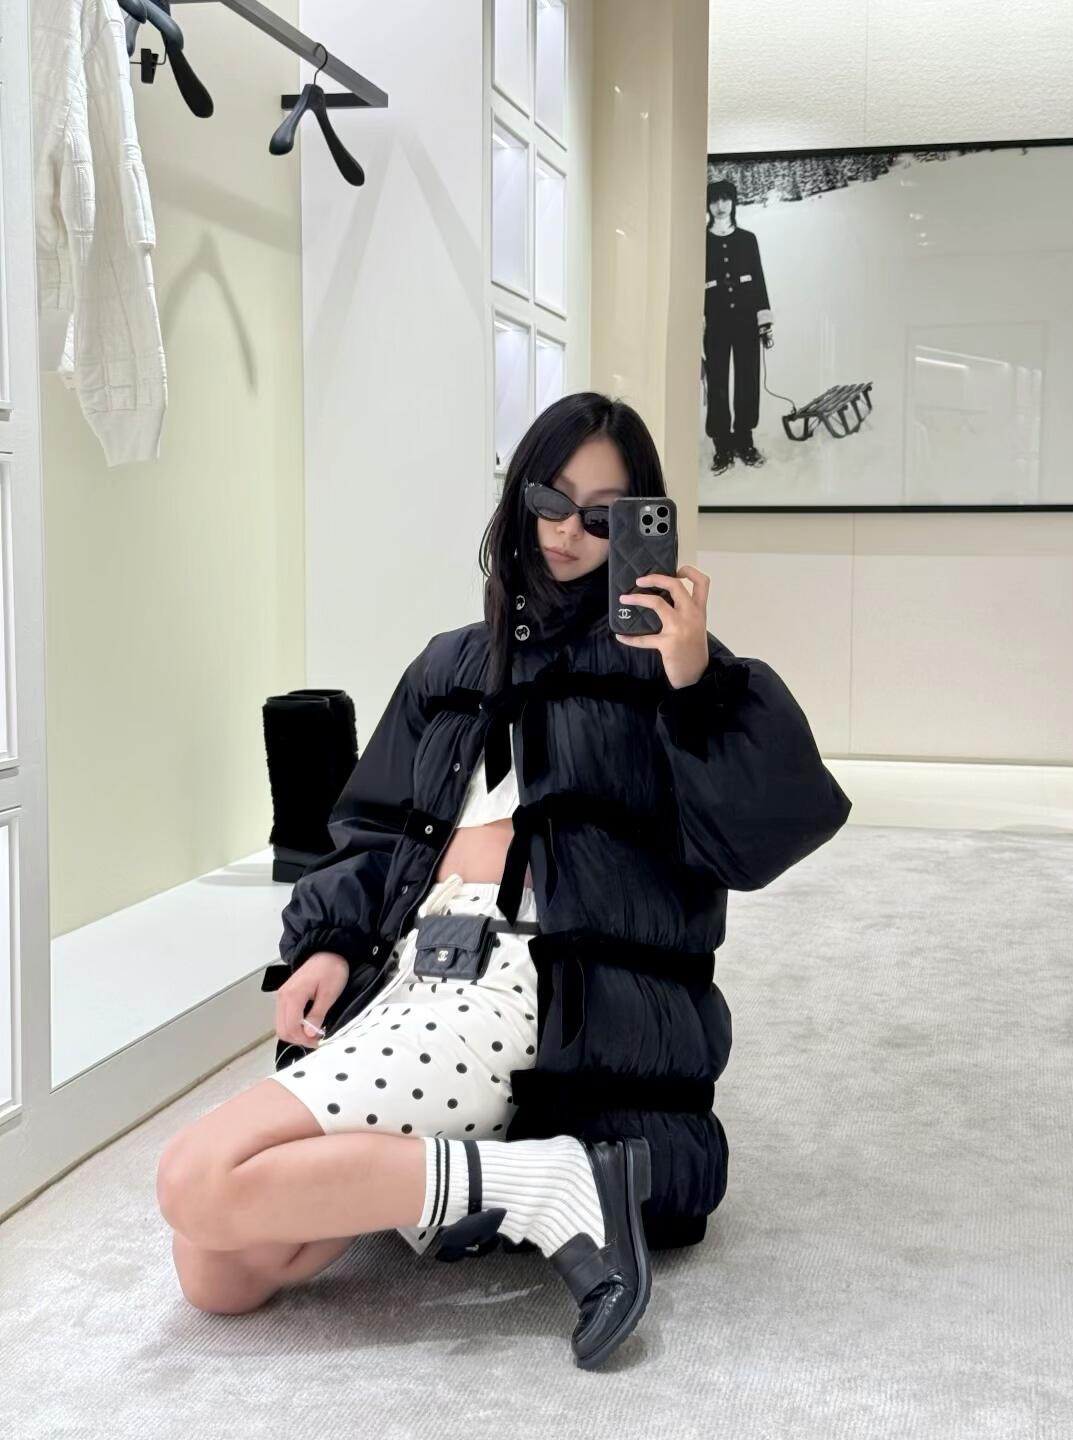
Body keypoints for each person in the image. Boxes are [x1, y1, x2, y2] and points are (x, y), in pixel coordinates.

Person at [156, 393, 852, 1371]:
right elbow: (373, 832)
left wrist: (697, 683)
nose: (567, 532)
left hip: (536, 986)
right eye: (550, 500)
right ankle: (520, 1180)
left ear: (640, 525)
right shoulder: (449, 665)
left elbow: (758, 839)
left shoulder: (668, 668)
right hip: (413, 973)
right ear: (518, 496)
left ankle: (547, 1183)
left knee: (195, 1176)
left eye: (603, 517)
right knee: (218, 1271)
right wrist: (328, 942)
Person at [703, 178, 774, 473]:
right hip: (715, 325)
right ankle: (721, 444)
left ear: (733, 202)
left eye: (725, 199)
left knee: (748, 380)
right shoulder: (700, 242)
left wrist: (764, 321)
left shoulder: (748, 239)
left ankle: (745, 439)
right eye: (714, 200)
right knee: (717, 383)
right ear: (708, 205)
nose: (720, 206)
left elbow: (758, 281)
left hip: (746, 322)